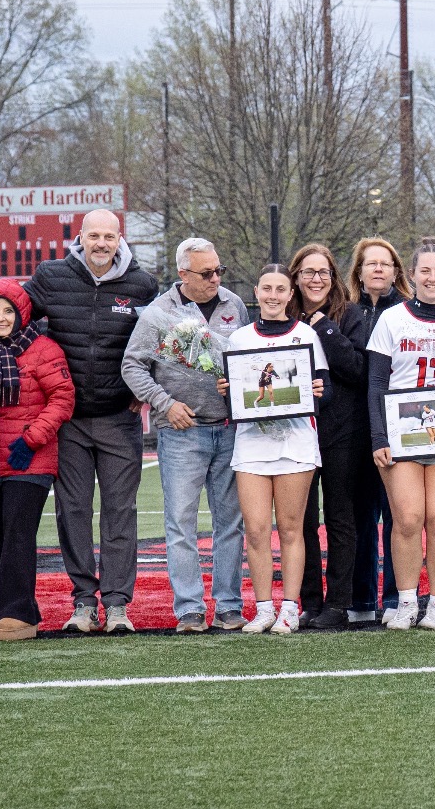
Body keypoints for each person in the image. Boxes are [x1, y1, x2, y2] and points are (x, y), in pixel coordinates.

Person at [22, 208, 160, 634]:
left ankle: (117, 603)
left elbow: (162, 339)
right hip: (69, 421)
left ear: (121, 238)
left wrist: (148, 385)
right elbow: (6, 309)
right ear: (80, 237)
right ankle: (83, 601)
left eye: (109, 236)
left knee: (121, 512)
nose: (101, 243)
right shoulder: (51, 275)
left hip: (120, 417)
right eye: (94, 236)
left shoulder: (143, 284)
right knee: (73, 511)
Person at [123, 237, 250, 632]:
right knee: (181, 523)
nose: (215, 278)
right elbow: (132, 366)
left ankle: (229, 605)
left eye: (219, 270)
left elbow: (249, 358)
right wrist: (165, 403)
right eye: (206, 273)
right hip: (183, 431)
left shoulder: (234, 305)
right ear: (183, 274)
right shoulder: (158, 314)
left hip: (230, 428)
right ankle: (190, 609)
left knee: (231, 522)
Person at [366, 238, 435, 630]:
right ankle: (408, 600)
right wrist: (379, 437)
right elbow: (377, 382)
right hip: (401, 431)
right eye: (424, 271)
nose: (432, 278)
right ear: (410, 275)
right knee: (409, 519)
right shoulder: (391, 319)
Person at [223, 264, 329, 634]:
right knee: (255, 530)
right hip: (251, 445)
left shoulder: (306, 335)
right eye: (266, 288)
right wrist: (228, 394)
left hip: (296, 444)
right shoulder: (238, 339)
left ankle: (289, 608)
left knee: (290, 529)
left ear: (290, 294)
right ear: (256, 291)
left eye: (280, 289)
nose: (272, 295)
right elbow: (233, 402)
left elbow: (324, 391)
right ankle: (264, 607)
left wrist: (317, 393)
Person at [0, 279, 75, 640]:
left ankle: (19, 614)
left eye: (8, 311)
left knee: (18, 535)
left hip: (29, 459)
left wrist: (31, 439)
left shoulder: (43, 348)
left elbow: (63, 398)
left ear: (22, 313)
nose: (1, 318)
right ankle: (3, 609)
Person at [289, 242, 369, 631]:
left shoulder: (349, 315)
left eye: (323, 272)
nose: (315, 279)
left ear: (333, 277)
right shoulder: (283, 314)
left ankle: (338, 604)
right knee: (300, 522)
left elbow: (357, 369)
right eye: (307, 272)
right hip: (294, 433)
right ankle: (308, 601)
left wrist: (323, 326)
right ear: (296, 277)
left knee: (341, 519)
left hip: (342, 432)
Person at [345, 237, 409, 626]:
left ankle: (395, 599)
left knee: (398, 515)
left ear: (397, 271)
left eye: (386, 263)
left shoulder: (405, 313)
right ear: (359, 271)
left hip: (397, 428)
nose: (379, 269)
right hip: (354, 429)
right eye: (371, 263)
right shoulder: (346, 312)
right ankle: (361, 598)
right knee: (359, 516)